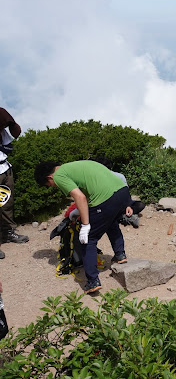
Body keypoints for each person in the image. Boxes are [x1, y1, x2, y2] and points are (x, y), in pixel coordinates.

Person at [34, 160, 133, 293]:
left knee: (88, 239)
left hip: (105, 199)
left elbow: (80, 197)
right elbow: (90, 189)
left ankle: (93, 281)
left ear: (49, 177)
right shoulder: (75, 166)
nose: (53, 186)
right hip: (123, 193)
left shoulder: (59, 175)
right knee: (110, 222)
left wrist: (85, 225)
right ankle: (120, 255)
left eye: (48, 185)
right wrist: (78, 211)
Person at [0, 108, 29, 260]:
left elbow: (8, 144)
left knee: (7, 203)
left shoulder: (2, 132)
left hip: (4, 168)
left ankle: (8, 232)